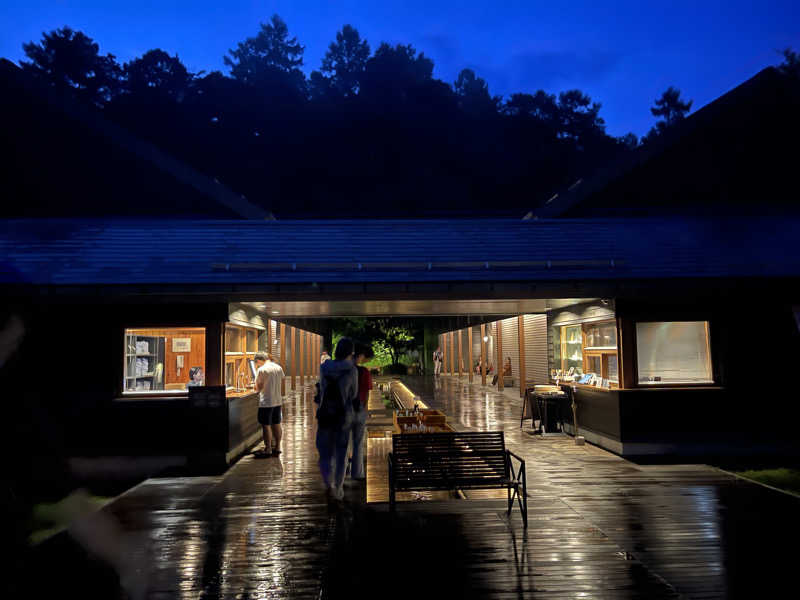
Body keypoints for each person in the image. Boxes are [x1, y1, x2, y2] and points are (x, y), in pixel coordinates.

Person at [317, 337, 358, 501]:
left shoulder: (324, 367)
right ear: (350, 352)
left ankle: (328, 483)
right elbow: (353, 394)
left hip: (325, 414)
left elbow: (321, 389)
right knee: (341, 454)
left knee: (325, 453)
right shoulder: (352, 370)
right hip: (343, 416)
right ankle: (338, 488)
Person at [253, 352, 285, 458]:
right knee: (276, 423)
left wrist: (255, 387)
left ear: (259, 360)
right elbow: (281, 380)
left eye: (256, 363)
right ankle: (278, 447)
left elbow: (258, 387)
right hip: (277, 400)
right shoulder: (278, 367)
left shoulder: (261, 370)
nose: (256, 365)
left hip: (266, 402)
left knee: (266, 425)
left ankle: (268, 449)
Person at [349, 342, 373, 481]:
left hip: (344, 410)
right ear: (361, 355)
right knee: (358, 443)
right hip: (359, 409)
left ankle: (342, 469)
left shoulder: (342, 371)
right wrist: (366, 409)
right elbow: (367, 393)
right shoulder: (364, 372)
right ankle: (357, 473)